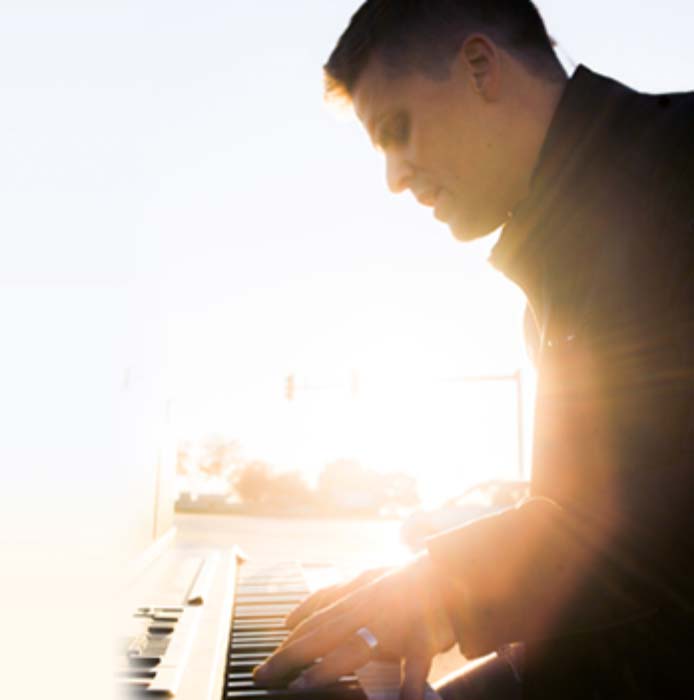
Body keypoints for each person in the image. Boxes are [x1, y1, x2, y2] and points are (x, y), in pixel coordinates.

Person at [254, 1, 694, 697]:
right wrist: (416, 589)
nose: (394, 177)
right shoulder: (560, 264)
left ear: (480, 67)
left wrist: (447, 587)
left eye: (396, 131)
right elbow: (604, 575)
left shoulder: (680, 167)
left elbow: (663, 521)